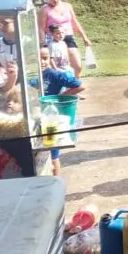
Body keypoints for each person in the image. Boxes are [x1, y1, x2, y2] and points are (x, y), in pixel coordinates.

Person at [38, 47, 85, 175]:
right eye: (39, 58)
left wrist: (62, 96)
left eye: (45, 58)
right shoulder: (30, 75)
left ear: (50, 59)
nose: (42, 62)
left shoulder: (54, 75)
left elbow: (80, 85)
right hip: (35, 119)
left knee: (53, 153)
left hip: (50, 119)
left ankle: (56, 183)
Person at [37, 0, 92, 78]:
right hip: (52, 38)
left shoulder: (68, 6)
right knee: (56, 66)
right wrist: (43, 44)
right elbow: (41, 28)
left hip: (67, 36)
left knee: (77, 66)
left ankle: (75, 85)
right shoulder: (44, 10)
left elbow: (74, 22)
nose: (55, 0)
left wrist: (84, 37)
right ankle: (58, 87)